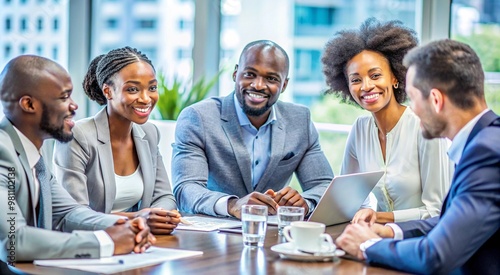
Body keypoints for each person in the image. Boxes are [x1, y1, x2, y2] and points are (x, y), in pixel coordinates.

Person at [336, 39, 500, 274]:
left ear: (435, 100)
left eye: (413, 98)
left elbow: (435, 256)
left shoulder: (487, 152)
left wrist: (367, 245)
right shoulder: (487, 140)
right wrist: (392, 230)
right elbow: (451, 221)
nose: (411, 108)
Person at [0, 55, 153, 262]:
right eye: (64, 98)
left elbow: (68, 213)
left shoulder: (33, 153)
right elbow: (13, 241)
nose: (74, 106)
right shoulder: (3, 153)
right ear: (28, 104)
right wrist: (105, 242)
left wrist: (123, 227)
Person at [172, 40, 334, 219]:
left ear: (284, 85)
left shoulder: (300, 120)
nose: (258, 85)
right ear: (235, 74)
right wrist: (232, 205)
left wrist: (305, 202)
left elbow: (324, 184)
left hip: (272, 235)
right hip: (212, 235)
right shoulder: (198, 117)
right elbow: (185, 189)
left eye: (271, 78)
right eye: (250, 74)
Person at [321, 18, 453, 224]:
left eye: (375, 75)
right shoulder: (360, 129)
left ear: (395, 77)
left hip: (424, 241)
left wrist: (379, 217)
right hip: (379, 237)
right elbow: (346, 201)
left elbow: (437, 211)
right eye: (356, 80)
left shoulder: (426, 128)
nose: (366, 86)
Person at [53, 47, 180, 235]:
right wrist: (138, 219)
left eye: (152, 88)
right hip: (88, 245)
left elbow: (164, 196)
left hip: (136, 241)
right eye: (133, 89)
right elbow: (73, 214)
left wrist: (159, 216)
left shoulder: (149, 132)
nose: (146, 99)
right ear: (108, 91)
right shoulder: (78, 135)